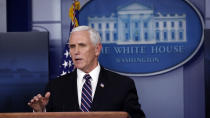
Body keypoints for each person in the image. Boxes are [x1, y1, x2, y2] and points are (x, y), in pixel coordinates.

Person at [28, 26, 145, 118]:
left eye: (82, 45)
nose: (76, 51)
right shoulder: (55, 86)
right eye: (72, 46)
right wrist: (40, 112)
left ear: (97, 49)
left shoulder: (122, 85)